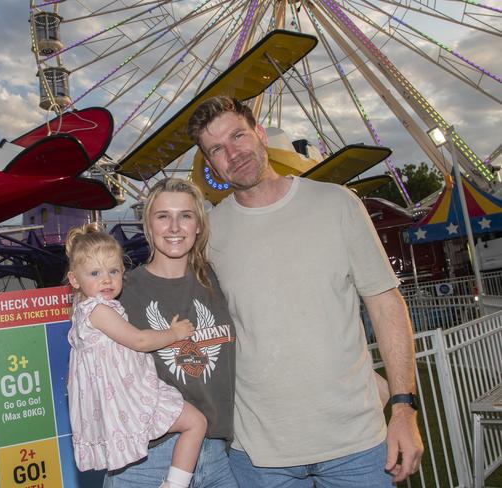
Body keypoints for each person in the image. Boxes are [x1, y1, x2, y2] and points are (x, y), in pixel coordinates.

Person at [187, 96, 424, 487]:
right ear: (210, 164)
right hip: (260, 454)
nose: (233, 153)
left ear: (260, 134)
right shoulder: (210, 234)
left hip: (356, 445)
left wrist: (403, 408)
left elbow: (385, 305)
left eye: (238, 136)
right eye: (217, 149)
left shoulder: (337, 204)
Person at [104, 178, 238, 488]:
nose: (174, 226)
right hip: (148, 459)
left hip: (216, 453)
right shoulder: (121, 293)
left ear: (199, 226)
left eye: (186, 216)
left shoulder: (218, 280)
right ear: (148, 226)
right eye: (163, 216)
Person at [66, 223, 208, 488]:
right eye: (95, 273)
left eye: (114, 271)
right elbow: (140, 341)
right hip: (129, 399)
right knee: (196, 423)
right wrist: (174, 333)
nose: (107, 279)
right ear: (75, 280)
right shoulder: (98, 310)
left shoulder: (86, 309)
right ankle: (176, 484)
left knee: (193, 423)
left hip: (123, 396)